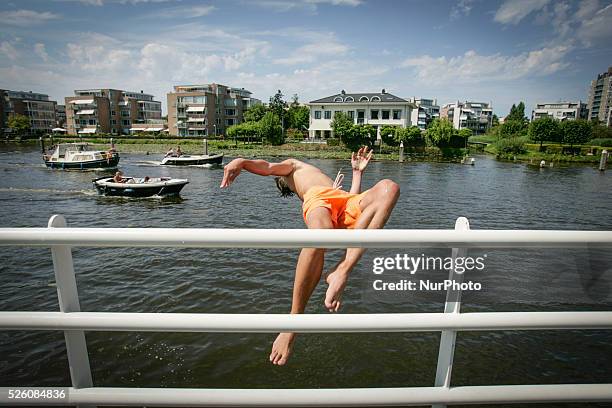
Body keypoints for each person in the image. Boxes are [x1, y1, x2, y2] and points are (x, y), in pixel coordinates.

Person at [220, 147, 399, 365]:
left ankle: (342, 270)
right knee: (320, 235)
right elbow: (267, 167)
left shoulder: (323, 182)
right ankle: (292, 326)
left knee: (389, 188)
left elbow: (353, 201)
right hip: (320, 201)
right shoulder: (293, 167)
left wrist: (358, 173)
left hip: (342, 200)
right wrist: (243, 161)